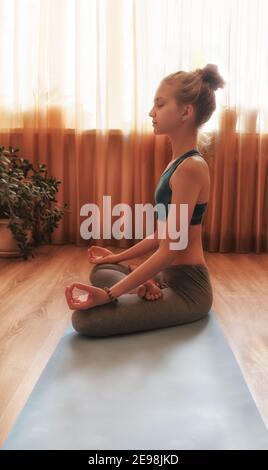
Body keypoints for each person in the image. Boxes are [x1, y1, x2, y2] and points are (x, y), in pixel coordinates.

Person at [65, 63, 225, 337]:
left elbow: (171, 249)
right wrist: (118, 256)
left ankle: (147, 284)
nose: (152, 112)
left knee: (85, 322)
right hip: (168, 277)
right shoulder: (177, 163)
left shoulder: (191, 168)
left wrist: (108, 294)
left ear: (186, 111)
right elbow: (161, 234)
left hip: (189, 290)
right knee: (103, 267)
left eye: (160, 105)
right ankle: (148, 282)